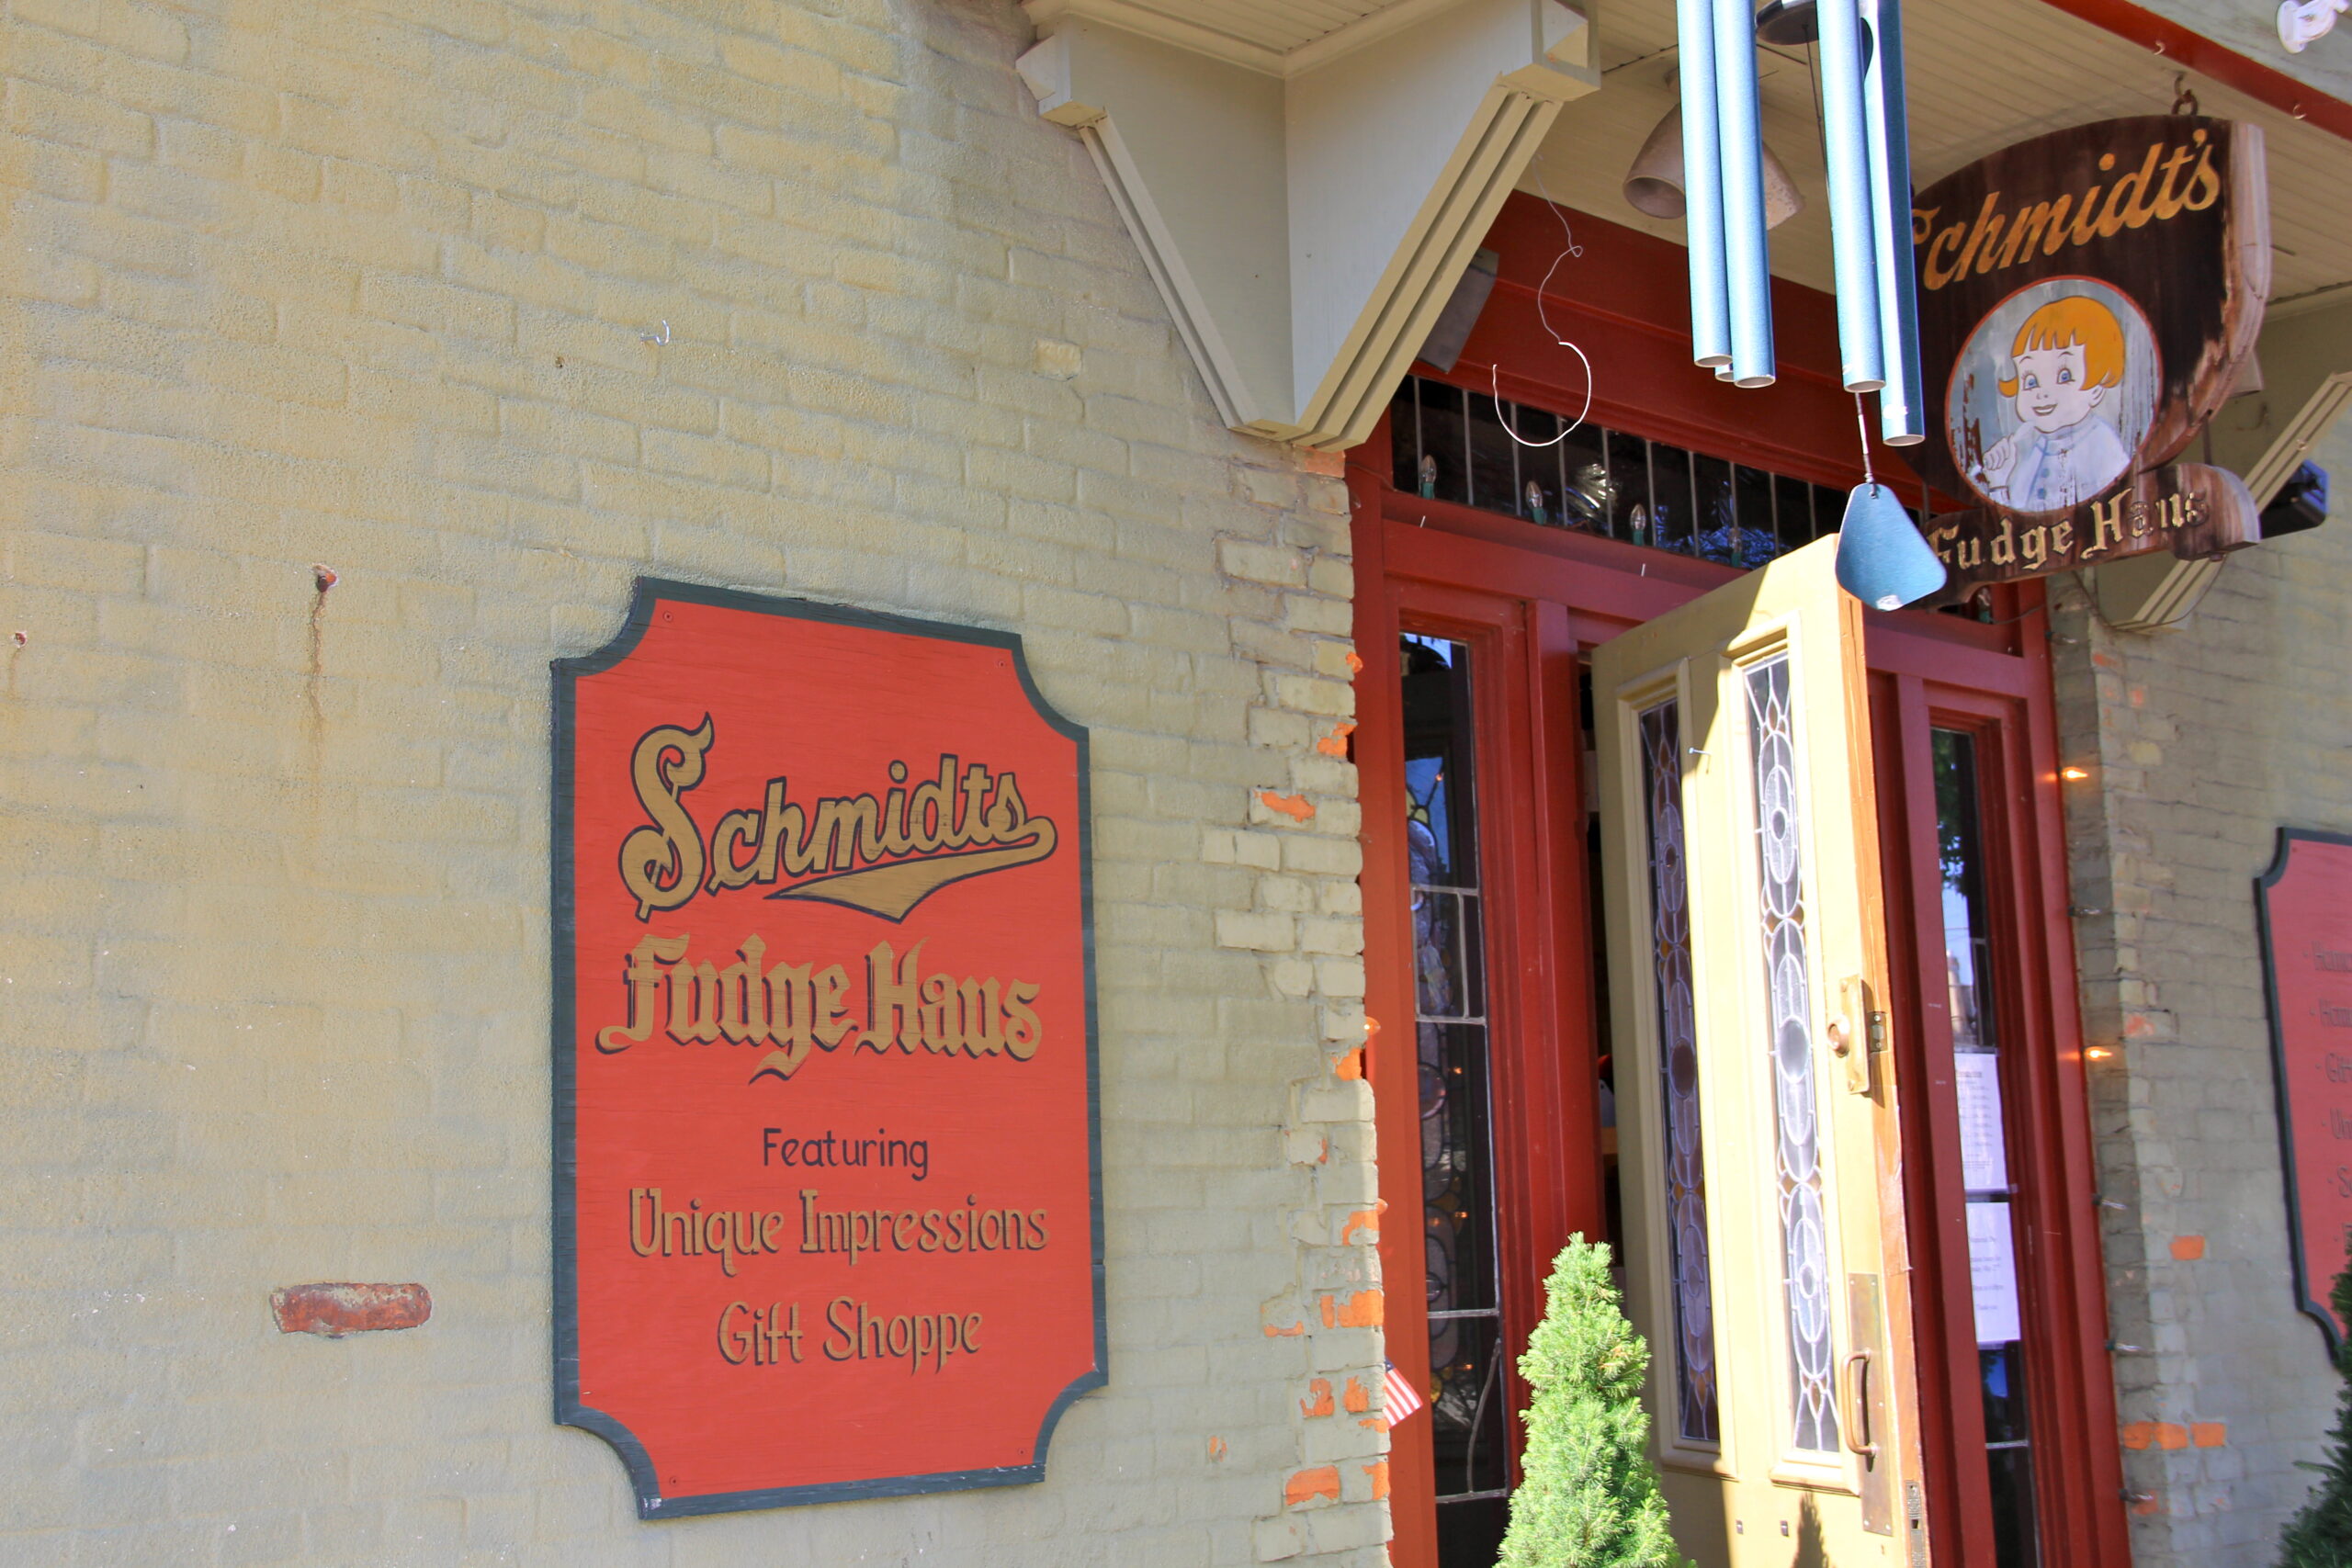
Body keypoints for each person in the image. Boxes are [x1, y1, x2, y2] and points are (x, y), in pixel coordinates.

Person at [1975, 295, 2134, 511]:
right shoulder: (2034, 451)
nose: (2042, 393)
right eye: (2031, 381)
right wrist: (1998, 482)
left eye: (2064, 376)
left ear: (2097, 389)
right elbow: (2015, 524)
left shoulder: (2103, 448)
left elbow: (2116, 512)